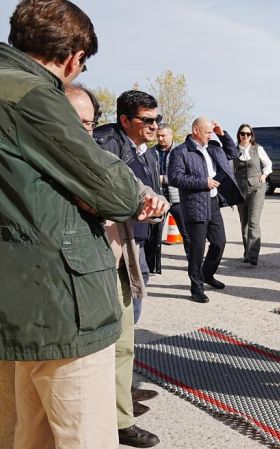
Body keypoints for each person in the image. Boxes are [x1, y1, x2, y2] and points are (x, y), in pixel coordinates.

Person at [0, 2, 148, 447]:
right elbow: (118, 193)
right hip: (62, 307)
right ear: (73, 57)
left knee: (28, 433)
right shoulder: (32, 95)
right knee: (82, 435)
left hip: (21, 300)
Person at [67, 83, 165, 448]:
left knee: (124, 340)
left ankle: (121, 412)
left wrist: (152, 205)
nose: (154, 126)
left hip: (123, 253)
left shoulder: (112, 151)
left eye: (90, 123)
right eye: (148, 120)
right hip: (87, 266)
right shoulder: (101, 146)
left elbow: (139, 189)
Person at [94, 90, 162, 324]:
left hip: (139, 239)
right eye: (148, 120)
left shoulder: (148, 153)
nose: (155, 126)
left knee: (134, 299)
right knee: (119, 306)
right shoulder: (106, 145)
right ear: (125, 120)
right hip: (115, 240)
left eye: (157, 119)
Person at [168, 117, 242, 303]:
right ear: (196, 130)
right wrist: (203, 182)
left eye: (211, 132)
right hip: (194, 204)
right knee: (197, 248)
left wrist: (222, 134)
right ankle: (196, 287)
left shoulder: (214, 147)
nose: (210, 136)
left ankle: (207, 274)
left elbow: (233, 153)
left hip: (213, 202)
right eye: (207, 132)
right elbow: (175, 178)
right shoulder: (181, 152)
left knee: (219, 243)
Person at [234, 123, 272, 265]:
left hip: (257, 189)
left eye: (248, 134)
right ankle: (247, 253)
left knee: (253, 222)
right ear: (239, 135)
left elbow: (268, 164)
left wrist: (264, 175)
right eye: (242, 133)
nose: (245, 136)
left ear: (251, 136)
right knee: (244, 223)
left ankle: (253, 255)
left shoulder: (258, 149)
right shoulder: (234, 151)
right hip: (240, 190)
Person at [152, 123, 190, 256]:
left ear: (171, 135)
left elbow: (184, 175)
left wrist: (163, 179)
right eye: (158, 136)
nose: (160, 138)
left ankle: (193, 263)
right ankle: (154, 265)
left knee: (187, 234)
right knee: (154, 235)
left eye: (163, 135)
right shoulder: (151, 152)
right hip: (158, 198)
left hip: (177, 198)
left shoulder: (181, 151)